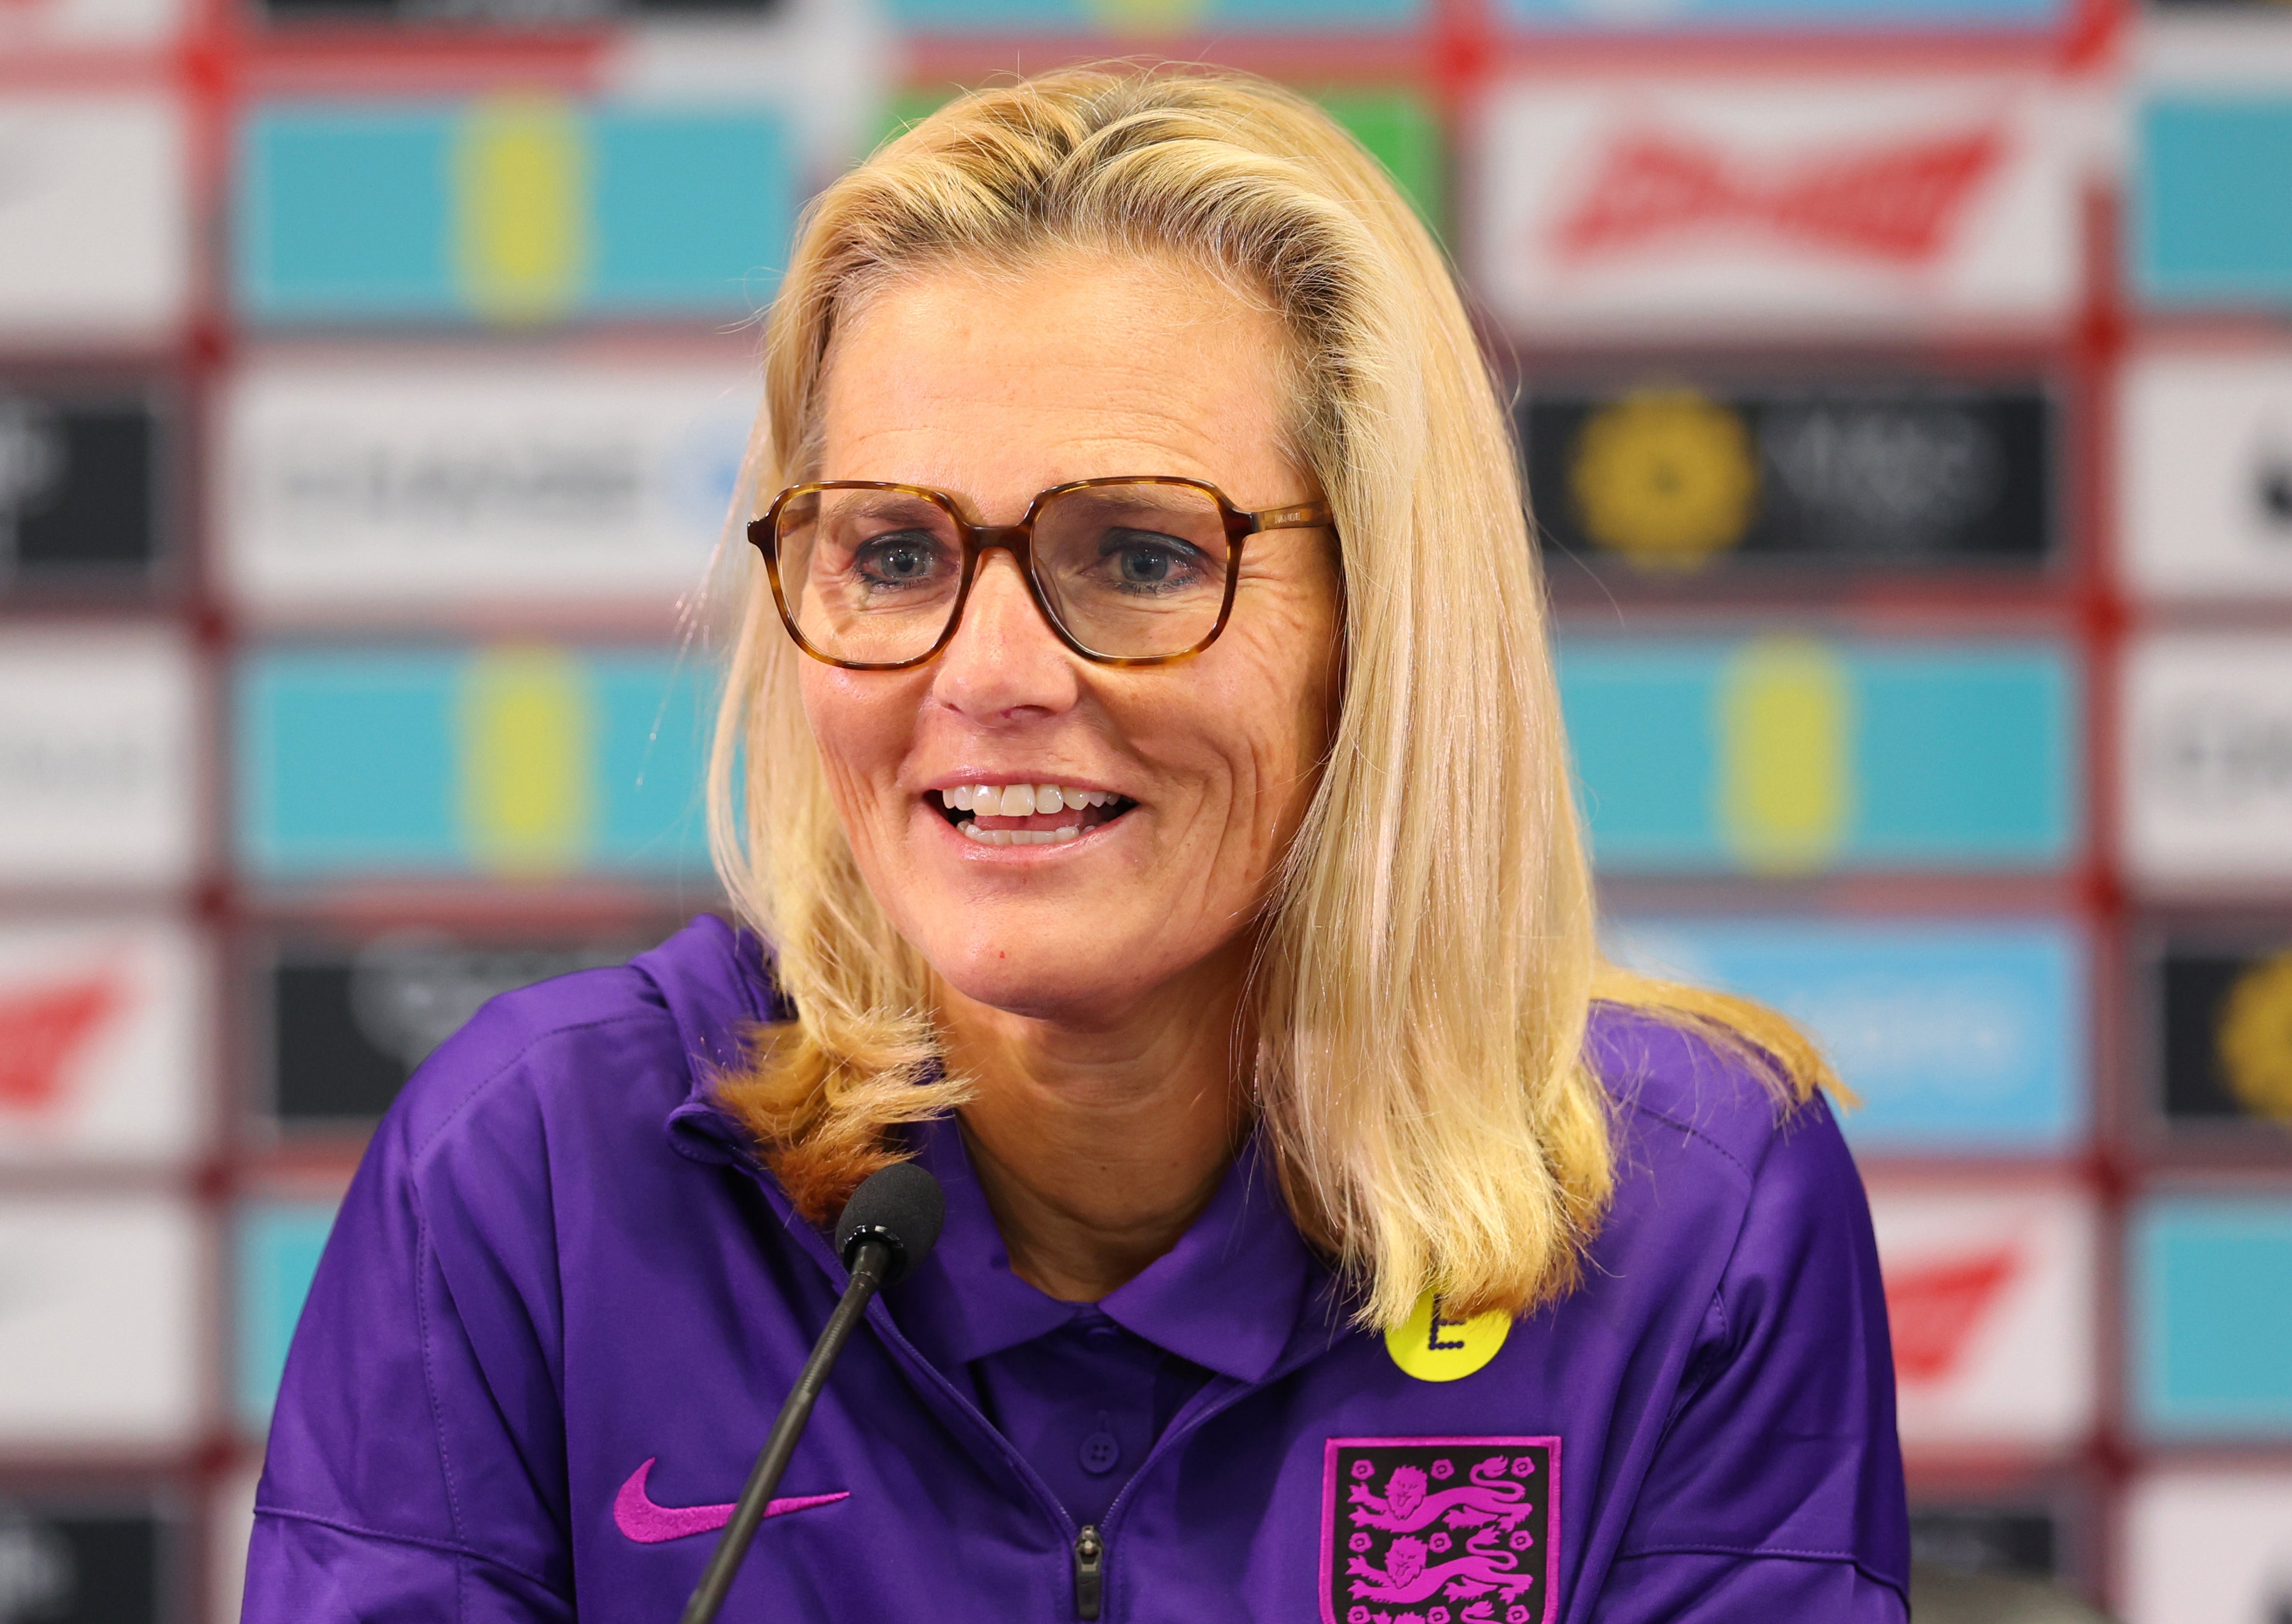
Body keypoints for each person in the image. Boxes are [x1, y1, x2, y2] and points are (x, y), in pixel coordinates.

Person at [242, 66, 1906, 1622]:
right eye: (893, 556)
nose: (987, 677)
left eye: (1138, 555)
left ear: (1382, 620)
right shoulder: (534, 1173)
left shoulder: (1694, 1209)